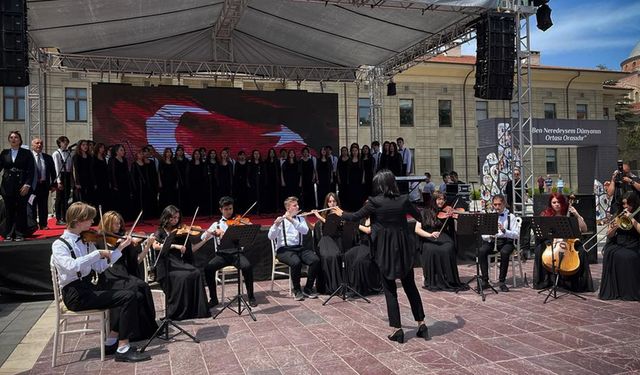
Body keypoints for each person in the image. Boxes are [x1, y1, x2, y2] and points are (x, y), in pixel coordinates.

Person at [333, 170, 427, 343]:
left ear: (380, 184)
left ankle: (397, 329)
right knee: (410, 287)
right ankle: (421, 324)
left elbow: (355, 217)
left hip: (385, 251)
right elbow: (419, 215)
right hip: (404, 249)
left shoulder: (374, 202)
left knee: (390, 291)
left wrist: (340, 213)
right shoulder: (403, 199)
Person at [50, 202, 150, 362]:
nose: (92, 223)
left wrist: (119, 249)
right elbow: (71, 266)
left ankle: (111, 341)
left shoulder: (86, 241)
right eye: (89, 219)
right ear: (78, 221)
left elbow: (100, 267)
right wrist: (97, 253)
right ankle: (123, 348)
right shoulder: (59, 244)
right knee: (128, 297)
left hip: (89, 288)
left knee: (135, 295)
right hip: (75, 295)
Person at [99, 211, 159, 341]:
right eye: (115, 224)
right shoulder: (99, 240)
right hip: (109, 276)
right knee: (135, 289)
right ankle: (128, 332)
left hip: (123, 274)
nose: (118, 226)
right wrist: (119, 246)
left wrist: (148, 245)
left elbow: (137, 260)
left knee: (143, 287)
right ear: (107, 224)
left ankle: (145, 329)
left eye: (119, 223)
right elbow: (100, 263)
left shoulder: (124, 239)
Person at [152, 205, 210, 320]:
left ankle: (194, 310)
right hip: (165, 264)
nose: (175, 220)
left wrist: (205, 240)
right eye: (172, 218)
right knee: (182, 277)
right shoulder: (160, 231)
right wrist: (175, 246)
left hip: (178, 262)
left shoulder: (182, 232)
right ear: (166, 217)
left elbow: (192, 249)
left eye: (177, 218)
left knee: (196, 272)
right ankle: (177, 311)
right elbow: (155, 246)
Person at [201, 196, 257, 308]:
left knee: (247, 266)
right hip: (222, 255)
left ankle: (251, 296)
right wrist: (212, 232)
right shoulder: (216, 224)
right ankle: (213, 299)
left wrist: (247, 225)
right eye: (226, 209)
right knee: (208, 268)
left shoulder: (239, 221)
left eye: (230, 209)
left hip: (237, 254)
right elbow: (203, 237)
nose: (229, 211)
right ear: (221, 210)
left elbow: (251, 229)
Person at [532, 192, 593, 292]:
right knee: (539, 249)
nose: (556, 204)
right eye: (554, 202)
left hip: (569, 243)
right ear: (550, 203)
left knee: (581, 252)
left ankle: (575, 283)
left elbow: (584, 229)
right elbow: (541, 231)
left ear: (563, 203)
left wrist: (577, 214)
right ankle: (546, 281)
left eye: (558, 202)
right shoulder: (546, 214)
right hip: (552, 241)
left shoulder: (569, 214)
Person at [268, 196, 320, 301]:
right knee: (296, 262)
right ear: (288, 208)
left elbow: (305, 231)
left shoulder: (300, 218)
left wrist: (292, 220)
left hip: (299, 248)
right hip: (284, 250)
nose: (298, 207)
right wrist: (275, 225)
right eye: (295, 205)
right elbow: (270, 237)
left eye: (297, 205)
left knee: (315, 260)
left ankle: (308, 288)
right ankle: (297, 290)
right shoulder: (280, 220)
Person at [415, 191, 466, 292]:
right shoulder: (424, 212)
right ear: (434, 200)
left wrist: (454, 216)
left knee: (448, 247)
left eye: (443, 199)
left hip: (443, 235)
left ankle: (449, 278)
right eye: (439, 199)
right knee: (431, 248)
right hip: (428, 236)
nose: (441, 201)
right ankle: (431, 278)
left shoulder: (446, 211)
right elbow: (417, 229)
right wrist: (430, 235)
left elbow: (454, 226)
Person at [599, 191, 640, 301]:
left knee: (627, 256)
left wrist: (632, 219)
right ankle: (615, 290)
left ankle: (628, 290)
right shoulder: (618, 213)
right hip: (619, 242)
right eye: (624, 204)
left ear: (634, 203)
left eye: (628, 204)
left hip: (635, 243)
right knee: (610, 252)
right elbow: (609, 234)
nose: (626, 206)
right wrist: (615, 227)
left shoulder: (638, 213)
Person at [477, 194, 520, 292]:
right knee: (482, 251)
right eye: (495, 205)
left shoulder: (511, 216)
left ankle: (502, 281)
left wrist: (505, 231)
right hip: (493, 241)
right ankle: (485, 280)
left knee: (505, 253)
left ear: (504, 204)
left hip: (506, 241)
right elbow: (483, 235)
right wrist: (490, 235)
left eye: (499, 204)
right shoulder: (489, 216)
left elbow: (516, 234)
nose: (497, 207)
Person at [0, 131, 34, 241]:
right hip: (7, 185)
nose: (13, 139)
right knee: (9, 210)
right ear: (9, 140)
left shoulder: (26, 153)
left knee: (21, 209)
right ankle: (9, 233)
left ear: (20, 140)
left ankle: (20, 233)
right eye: (11, 137)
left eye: (16, 137)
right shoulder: (4, 153)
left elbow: (31, 170)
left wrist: (27, 184)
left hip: (22, 185)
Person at [31, 137, 56, 230]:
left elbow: (53, 172)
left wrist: (54, 185)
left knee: (43, 206)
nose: (39, 145)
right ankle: (33, 225)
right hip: (32, 186)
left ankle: (43, 224)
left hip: (44, 185)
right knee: (32, 206)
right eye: (37, 143)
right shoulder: (29, 156)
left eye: (41, 143)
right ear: (32, 145)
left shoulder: (47, 157)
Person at [53, 136, 73, 225]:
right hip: (61, 176)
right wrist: (58, 181)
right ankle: (58, 218)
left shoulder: (69, 152)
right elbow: (57, 168)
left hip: (68, 175)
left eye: (66, 142)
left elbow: (71, 167)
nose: (65, 144)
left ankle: (65, 216)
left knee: (66, 197)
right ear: (59, 143)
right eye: (64, 142)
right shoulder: (56, 153)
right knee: (59, 198)